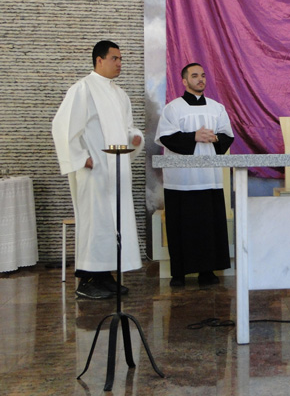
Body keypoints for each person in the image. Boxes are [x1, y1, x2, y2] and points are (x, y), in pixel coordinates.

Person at [52, 40, 144, 299]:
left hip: (115, 171)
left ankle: (105, 276)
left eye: (121, 59)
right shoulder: (82, 89)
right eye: (115, 58)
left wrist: (134, 138)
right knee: (95, 222)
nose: (120, 63)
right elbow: (63, 127)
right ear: (99, 60)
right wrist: (81, 158)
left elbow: (126, 129)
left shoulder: (120, 94)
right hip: (94, 171)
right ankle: (87, 280)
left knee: (113, 223)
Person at [155, 63, 234, 287]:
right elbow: (166, 138)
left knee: (208, 226)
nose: (200, 79)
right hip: (181, 179)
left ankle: (207, 271)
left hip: (209, 177)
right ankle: (179, 273)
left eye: (203, 75)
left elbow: (227, 136)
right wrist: (194, 137)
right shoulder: (173, 108)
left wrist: (215, 138)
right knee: (181, 226)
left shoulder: (217, 108)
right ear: (184, 81)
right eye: (195, 75)